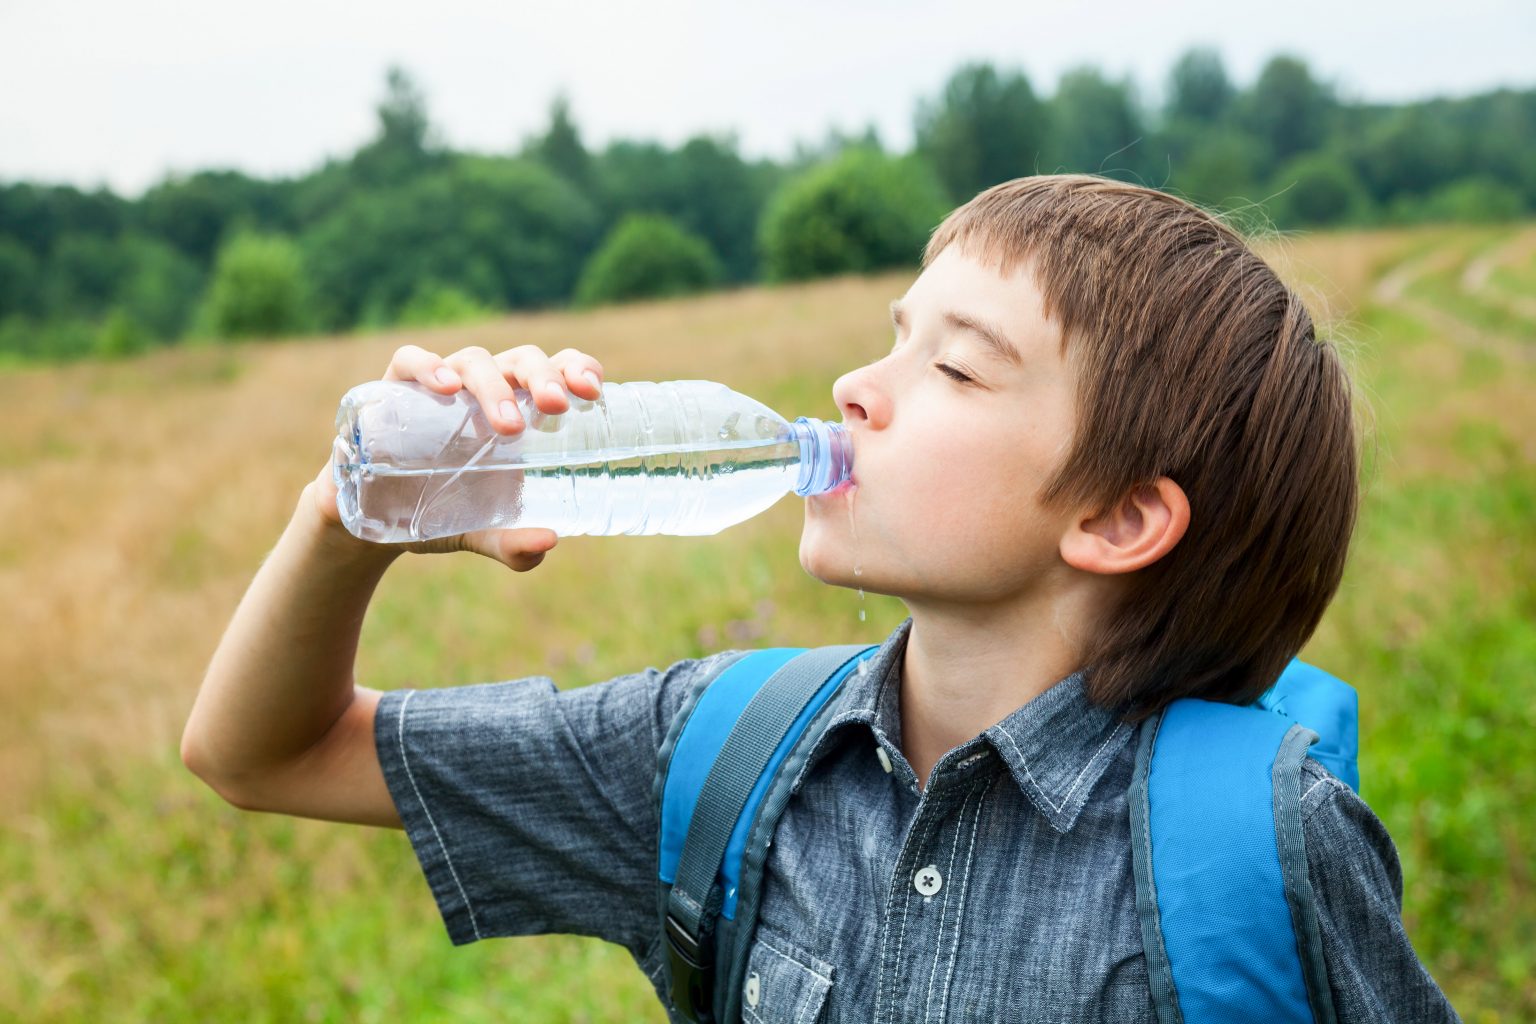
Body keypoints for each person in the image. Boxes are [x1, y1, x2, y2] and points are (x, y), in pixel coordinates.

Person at [182, 174, 1459, 1022]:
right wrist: (349, 521)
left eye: (955, 367)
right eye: (895, 333)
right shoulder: (715, 754)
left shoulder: (1262, 846)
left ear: (1116, 517)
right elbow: (263, 751)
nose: (857, 385)